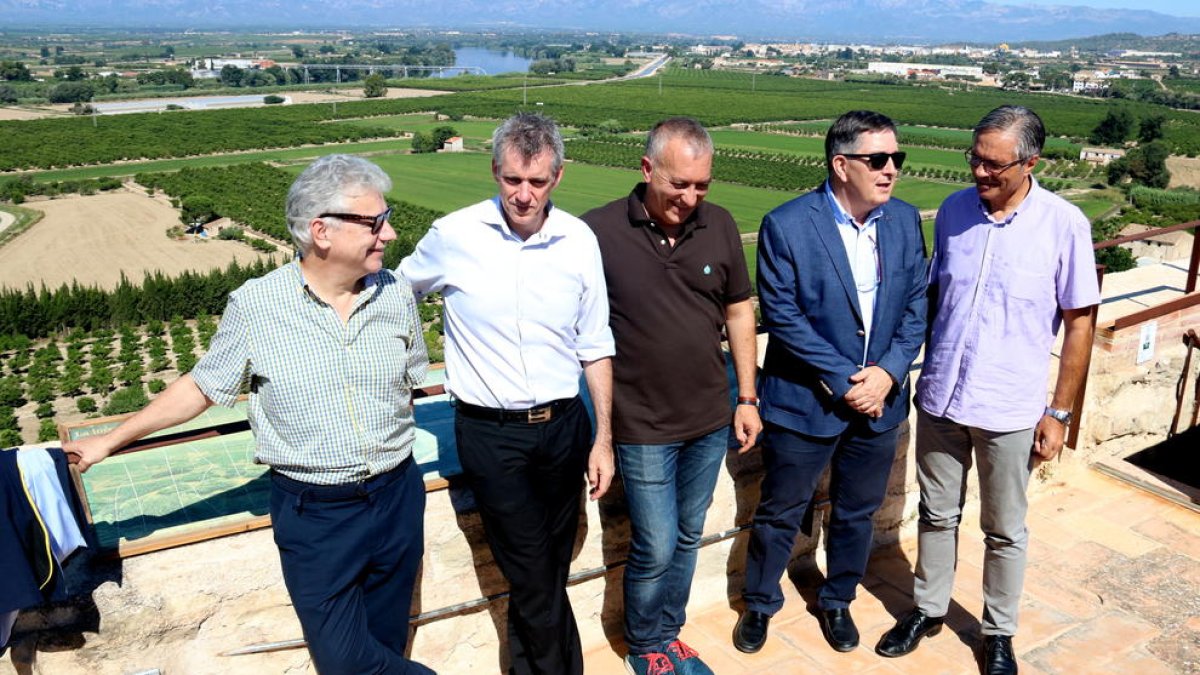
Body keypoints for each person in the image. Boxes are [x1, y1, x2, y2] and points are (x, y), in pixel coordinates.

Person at [64, 154, 436, 674]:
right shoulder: (257, 306)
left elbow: (411, 379)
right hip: (317, 513)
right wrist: (110, 439)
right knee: (345, 662)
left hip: (397, 495)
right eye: (376, 222)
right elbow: (202, 386)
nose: (390, 233)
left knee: (387, 641)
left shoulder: (394, 295)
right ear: (321, 232)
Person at [875, 105, 1100, 675]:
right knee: (936, 513)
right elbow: (929, 298)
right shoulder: (953, 211)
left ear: (1031, 163)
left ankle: (997, 632)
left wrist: (1060, 412)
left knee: (1004, 529)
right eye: (975, 159)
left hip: (1010, 405)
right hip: (942, 395)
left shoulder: (1064, 223)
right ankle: (927, 609)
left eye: (994, 165)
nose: (980, 173)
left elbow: (1080, 323)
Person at [399, 112, 615, 675]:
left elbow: (595, 344)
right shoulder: (453, 236)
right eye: (512, 179)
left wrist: (603, 440)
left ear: (557, 178)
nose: (523, 195)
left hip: (565, 426)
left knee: (545, 569)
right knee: (531, 570)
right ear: (494, 171)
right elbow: (394, 295)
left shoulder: (579, 242)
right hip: (490, 434)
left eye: (537, 182)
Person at [733, 110, 928, 655]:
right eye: (878, 160)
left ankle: (837, 599)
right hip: (805, 404)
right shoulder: (787, 224)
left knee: (857, 511)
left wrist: (887, 374)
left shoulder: (906, 221)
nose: (891, 170)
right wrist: (848, 380)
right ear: (841, 165)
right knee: (779, 511)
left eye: (897, 158)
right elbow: (783, 315)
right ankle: (760, 602)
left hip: (880, 404)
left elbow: (917, 307)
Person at [581, 117, 762, 675]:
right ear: (646, 168)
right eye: (679, 184)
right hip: (640, 426)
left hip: (709, 418)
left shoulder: (721, 225)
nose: (690, 197)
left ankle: (668, 635)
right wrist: (601, 433)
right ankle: (644, 644)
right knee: (656, 544)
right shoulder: (597, 232)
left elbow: (738, 310)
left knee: (687, 536)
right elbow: (581, 335)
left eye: (701, 186)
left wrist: (747, 397)